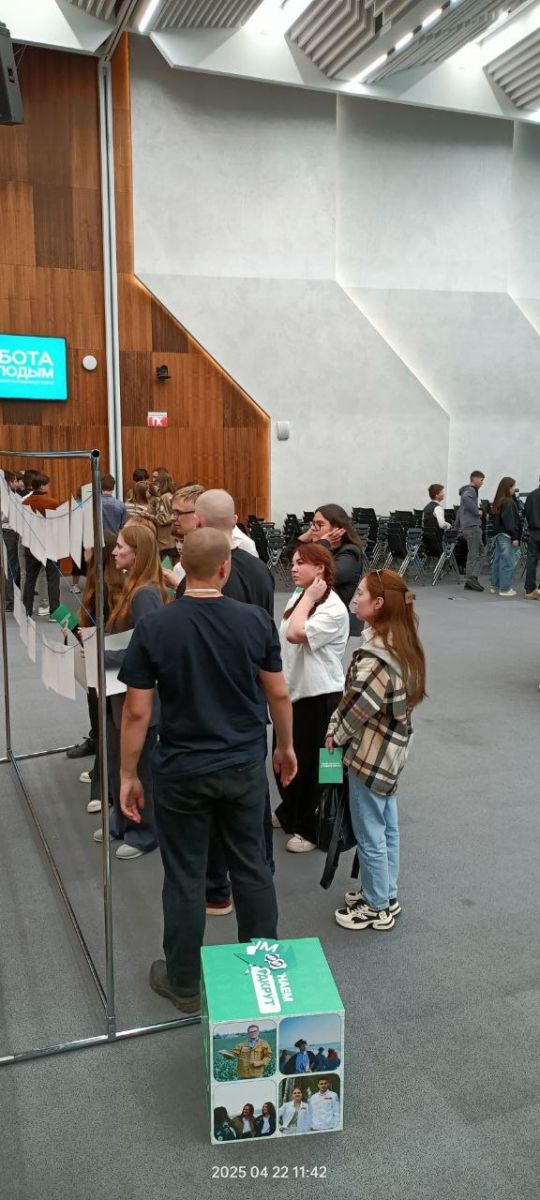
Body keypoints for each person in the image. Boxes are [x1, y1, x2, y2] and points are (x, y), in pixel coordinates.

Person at [118, 528, 296, 1011]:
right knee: (252, 869)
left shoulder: (156, 626)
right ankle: (263, 976)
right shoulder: (255, 620)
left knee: (184, 876)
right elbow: (278, 693)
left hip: (181, 769)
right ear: (225, 568)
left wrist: (128, 775)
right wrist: (285, 747)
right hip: (241, 765)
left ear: (181, 568)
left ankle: (183, 983)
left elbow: (136, 711)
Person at [183, 489, 276, 912]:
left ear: (199, 523)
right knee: (253, 796)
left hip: (207, 708)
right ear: (236, 520)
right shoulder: (260, 571)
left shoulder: (197, 578)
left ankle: (216, 888)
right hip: (251, 702)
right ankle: (261, 871)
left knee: (211, 806)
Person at [328, 570, 426, 932]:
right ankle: (386, 892)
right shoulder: (403, 642)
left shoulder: (376, 657)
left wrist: (333, 736)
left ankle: (376, 905)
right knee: (386, 826)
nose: (354, 599)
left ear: (379, 603)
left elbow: (356, 708)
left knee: (370, 829)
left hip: (370, 754)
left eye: (360, 594)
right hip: (392, 751)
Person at [93, 525, 168, 859]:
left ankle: (145, 830)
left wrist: (103, 655)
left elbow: (150, 648)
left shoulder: (145, 594)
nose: (114, 551)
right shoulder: (133, 587)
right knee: (118, 759)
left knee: (140, 767)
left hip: (136, 695)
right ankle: (123, 820)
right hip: (121, 692)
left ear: (137, 554)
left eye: (121, 547)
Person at [273, 544, 348, 853]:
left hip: (321, 695)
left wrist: (308, 598)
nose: (293, 568)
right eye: (292, 562)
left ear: (320, 568)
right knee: (286, 756)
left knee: (323, 764)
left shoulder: (332, 607)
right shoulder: (301, 596)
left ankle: (316, 826)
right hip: (293, 691)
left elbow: (294, 634)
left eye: (300, 563)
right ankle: (291, 811)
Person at [77, 532, 125, 813]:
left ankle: (104, 786)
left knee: (106, 722)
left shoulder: (109, 588)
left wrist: (95, 644)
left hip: (108, 664)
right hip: (98, 659)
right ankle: (101, 775)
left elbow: (112, 630)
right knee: (101, 720)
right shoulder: (96, 583)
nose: (83, 553)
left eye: (87, 548)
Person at [296, 503, 364, 634]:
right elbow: (293, 557)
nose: (314, 528)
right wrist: (306, 536)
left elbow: (328, 574)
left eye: (319, 524)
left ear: (337, 529)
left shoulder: (350, 553)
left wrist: (322, 543)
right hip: (313, 613)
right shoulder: (326, 548)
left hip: (330, 620)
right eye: (313, 524)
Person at [22, 472, 61, 619]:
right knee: (53, 580)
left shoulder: (25, 503)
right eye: (48, 484)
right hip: (49, 545)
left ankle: (27, 611)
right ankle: (54, 613)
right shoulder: (52, 503)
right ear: (43, 486)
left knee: (30, 579)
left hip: (31, 544)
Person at [489, 477, 521, 598]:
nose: (515, 489)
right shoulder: (508, 502)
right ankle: (505, 588)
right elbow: (510, 521)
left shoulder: (499, 500)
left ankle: (495, 586)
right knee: (508, 562)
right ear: (508, 487)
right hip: (507, 535)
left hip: (499, 534)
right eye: (513, 486)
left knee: (498, 561)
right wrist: (515, 537)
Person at [457, 471, 485, 592]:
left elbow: (460, 510)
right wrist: (477, 511)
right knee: (476, 553)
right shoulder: (470, 490)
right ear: (475, 479)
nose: (482, 483)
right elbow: (466, 499)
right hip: (472, 526)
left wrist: (457, 526)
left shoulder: (467, 490)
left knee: (478, 552)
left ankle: (472, 579)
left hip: (468, 526)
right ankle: (471, 579)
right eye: (481, 480)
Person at [1, 470, 21, 612]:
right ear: (9, 482)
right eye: (15, 481)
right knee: (10, 567)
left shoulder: (13, 496)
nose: (17, 483)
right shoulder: (9, 498)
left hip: (10, 531)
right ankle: (10, 602)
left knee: (12, 566)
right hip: (9, 531)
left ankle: (11, 599)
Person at [152, 469, 176, 559]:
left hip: (166, 540)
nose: (153, 481)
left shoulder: (164, 497)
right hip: (171, 538)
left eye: (156, 480)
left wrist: (151, 517)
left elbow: (163, 519)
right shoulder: (171, 495)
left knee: (166, 565)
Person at [524, 477, 540, 599]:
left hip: (533, 532)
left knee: (531, 561)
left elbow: (527, 513)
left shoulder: (531, 496)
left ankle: (529, 590)